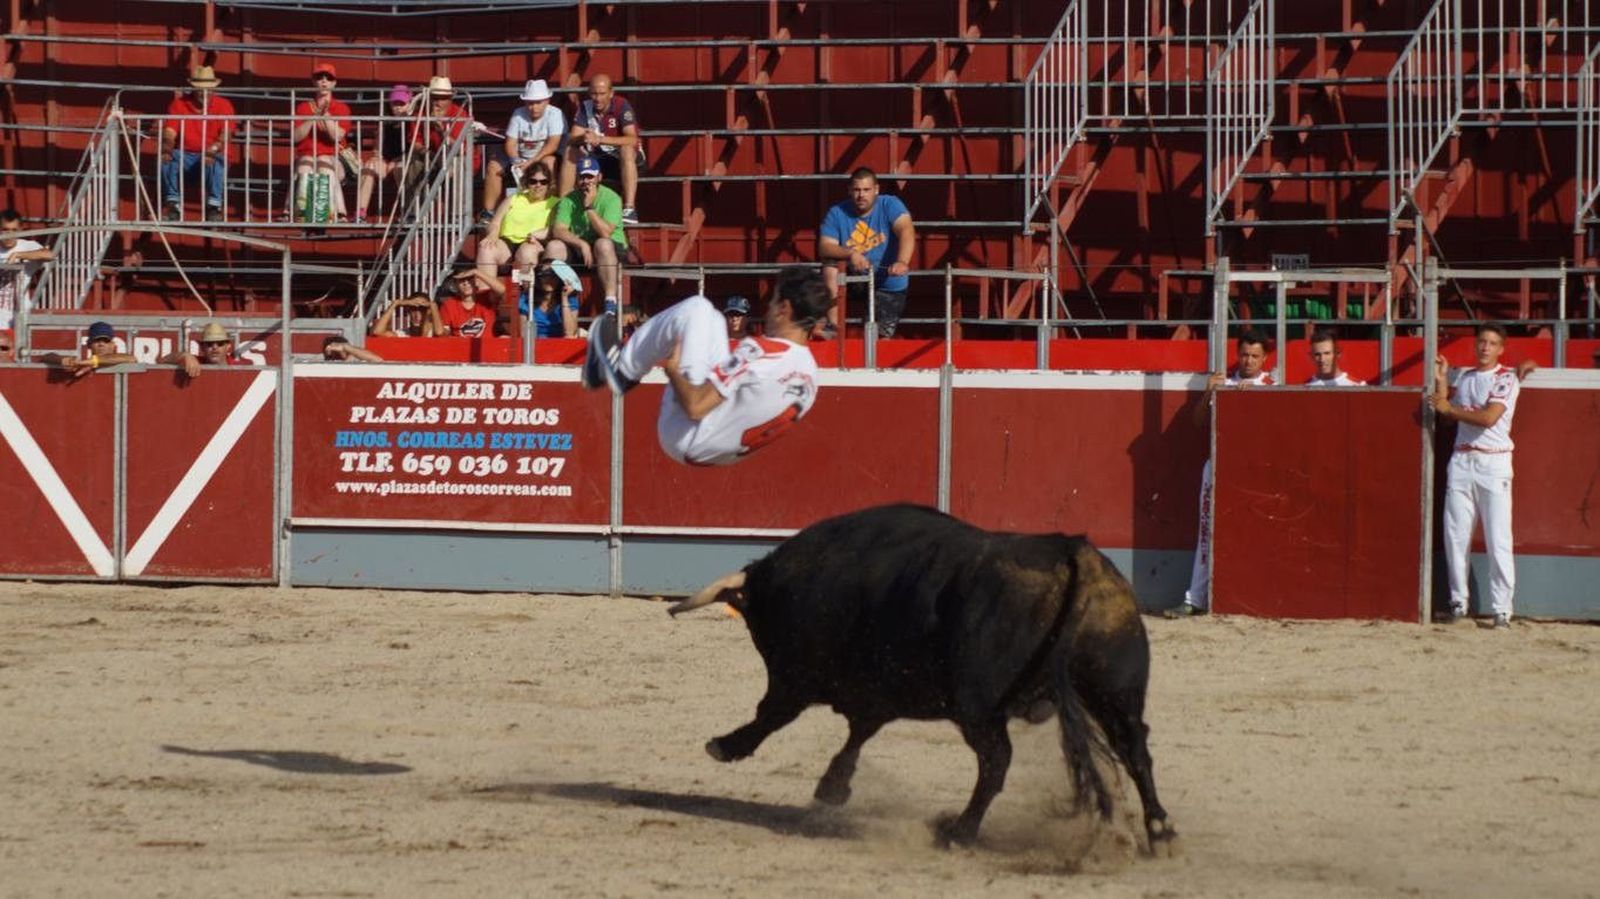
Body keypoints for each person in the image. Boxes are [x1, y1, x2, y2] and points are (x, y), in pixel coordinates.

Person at [580, 265, 833, 466]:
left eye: (773, 300)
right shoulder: (810, 374)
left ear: (784, 309)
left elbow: (696, 406)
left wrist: (674, 371)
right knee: (712, 319)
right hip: (721, 452)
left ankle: (623, 369)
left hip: (685, 434)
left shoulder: (759, 352)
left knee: (698, 309)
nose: (767, 307)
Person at [1167, 330, 1275, 619]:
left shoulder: (1272, 386)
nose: (1248, 361)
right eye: (1244, 355)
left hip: (1258, 471)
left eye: (1254, 356)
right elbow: (1198, 421)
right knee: (1206, 532)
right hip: (1218, 464)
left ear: (1265, 358)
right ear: (1236, 355)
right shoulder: (1223, 383)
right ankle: (1196, 598)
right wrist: (1209, 393)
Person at [1432, 323, 1521, 628]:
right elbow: (1445, 417)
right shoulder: (1467, 377)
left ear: (1501, 349)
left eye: (1492, 343)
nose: (1485, 347)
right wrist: (1442, 383)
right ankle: (1458, 602)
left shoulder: (1506, 378)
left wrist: (1448, 407)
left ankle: (1502, 608)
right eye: (1482, 342)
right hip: (1461, 459)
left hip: (1492, 463)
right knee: (1454, 536)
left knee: (1498, 538)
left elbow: (1487, 417)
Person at [817, 167, 916, 337]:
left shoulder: (890, 204)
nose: (861, 195)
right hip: (855, 278)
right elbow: (824, 246)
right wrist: (851, 254)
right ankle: (832, 326)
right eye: (856, 190)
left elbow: (906, 230)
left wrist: (902, 262)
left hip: (887, 281)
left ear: (876, 190)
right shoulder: (837, 213)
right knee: (830, 262)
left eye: (866, 190)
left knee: (879, 337)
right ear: (849, 190)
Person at [548, 156, 626, 310]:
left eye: (590, 176)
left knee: (602, 244)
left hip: (610, 247)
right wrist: (581, 244)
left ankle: (610, 300)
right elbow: (558, 230)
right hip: (581, 247)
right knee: (554, 246)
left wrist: (589, 207)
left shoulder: (611, 198)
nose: (586, 181)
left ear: (599, 177)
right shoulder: (568, 200)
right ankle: (552, 300)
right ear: (577, 178)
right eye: (583, 177)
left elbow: (605, 232)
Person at [563, 73, 642, 225]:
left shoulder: (621, 105)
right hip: (598, 158)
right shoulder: (585, 108)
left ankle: (629, 208)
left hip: (623, 158)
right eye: (593, 94)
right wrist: (584, 137)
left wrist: (600, 139)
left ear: (611, 93)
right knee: (570, 151)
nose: (597, 99)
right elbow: (573, 138)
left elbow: (632, 138)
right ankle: (563, 203)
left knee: (626, 149)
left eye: (601, 94)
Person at [483, 79, 565, 222]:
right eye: (530, 103)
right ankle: (489, 212)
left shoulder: (555, 114)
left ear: (547, 101)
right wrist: (516, 161)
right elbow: (510, 142)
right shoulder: (518, 114)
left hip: (544, 155)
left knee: (549, 163)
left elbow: (553, 144)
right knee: (493, 167)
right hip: (521, 157)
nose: (534, 107)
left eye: (538, 102)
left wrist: (531, 162)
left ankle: (548, 207)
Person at [160, 66, 234, 222]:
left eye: (209, 89)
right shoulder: (179, 105)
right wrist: (167, 148)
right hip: (187, 156)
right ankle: (173, 205)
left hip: (212, 153)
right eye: (200, 89)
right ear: (193, 89)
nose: (205, 93)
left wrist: (212, 150)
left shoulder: (224, 105)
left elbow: (226, 134)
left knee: (217, 160)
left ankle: (214, 207)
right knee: (168, 157)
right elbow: (170, 131)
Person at [476, 162, 559, 289]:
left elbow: (555, 228)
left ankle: (526, 297)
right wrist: (492, 234)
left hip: (534, 243)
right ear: (527, 182)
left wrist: (538, 235)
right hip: (507, 242)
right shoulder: (514, 198)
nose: (538, 185)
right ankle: (485, 297)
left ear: (549, 184)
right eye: (533, 181)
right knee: (486, 248)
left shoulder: (555, 203)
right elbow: (496, 222)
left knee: (526, 252)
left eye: (543, 182)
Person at [290, 62, 354, 223]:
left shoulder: (341, 108)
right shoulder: (303, 108)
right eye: (320, 77)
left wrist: (325, 116)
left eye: (328, 78)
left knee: (324, 163)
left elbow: (337, 136)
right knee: (306, 164)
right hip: (307, 157)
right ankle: (305, 215)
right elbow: (296, 137)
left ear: (334, 83)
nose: (324, 81)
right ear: (314, 82)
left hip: (335, 158)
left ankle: (336, 213)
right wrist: (313, 117)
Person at [355, 85, 414, 223]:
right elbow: (377, 149)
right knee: (368, 168)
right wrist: (377, 158)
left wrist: (396, 160)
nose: (398, 107)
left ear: (409, 104)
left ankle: (407, 212)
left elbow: (414, 149)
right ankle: (360, 212)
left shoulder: (414, 122)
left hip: (406, 160)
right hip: (387, 162)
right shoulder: (385, 122)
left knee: (401, 168)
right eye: (395, 103)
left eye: (402, 103)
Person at [1, 209, 53, 331]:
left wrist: (19, 255)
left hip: (19, 313)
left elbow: (49, 255)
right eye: (5, 230)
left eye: (14, 230)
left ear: (20, 230)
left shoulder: (27, 245)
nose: (9, 235)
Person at [47, 321, 137, 378]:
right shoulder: (80, 363)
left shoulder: (84, 363)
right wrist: (63, 360)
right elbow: (46, 356)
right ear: (89, 344)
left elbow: (131, 358)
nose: (101, 344)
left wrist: (92, 363)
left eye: (106, 341)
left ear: (113, 345)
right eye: (97, 340)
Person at [522, 260, 581, 339]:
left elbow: (570, 332)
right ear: (537, 278)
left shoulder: (570, 299)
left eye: (554, 275)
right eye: (545, 274)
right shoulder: (527, 298)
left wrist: (564, 298)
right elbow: (523, 334)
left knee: (571, 337)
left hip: (561, 343)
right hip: (535, 343)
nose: (549, 279)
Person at [160, 321, 242, 377]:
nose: (214, 347)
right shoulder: (194, 362)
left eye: (220, 343)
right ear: (202, 347)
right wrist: (183, 355)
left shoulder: (240, 368)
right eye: (209, 344)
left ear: (228, 346)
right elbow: (162, 361)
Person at [370, 292, 443, 338]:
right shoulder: (403, 334)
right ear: (408, 311)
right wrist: (395, 303)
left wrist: (433, 306)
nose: (417, 315)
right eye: (413, 310)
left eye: (422, 310)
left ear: (429, 311)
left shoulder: (435, 330)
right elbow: (377, 332)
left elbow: (439, 333)